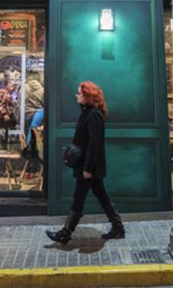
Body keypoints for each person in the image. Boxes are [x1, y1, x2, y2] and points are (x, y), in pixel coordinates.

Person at [46, 81, 124, 244]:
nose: (77, 96)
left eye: (79, 93)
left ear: (87, 96)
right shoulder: (88, 112)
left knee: (78, 198)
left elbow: (94, 143)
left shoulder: (93, 114)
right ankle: (118, 228)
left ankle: (65, 233)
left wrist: (87, 168)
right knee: (101, 196)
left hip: (90, 166)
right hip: (90, 165)